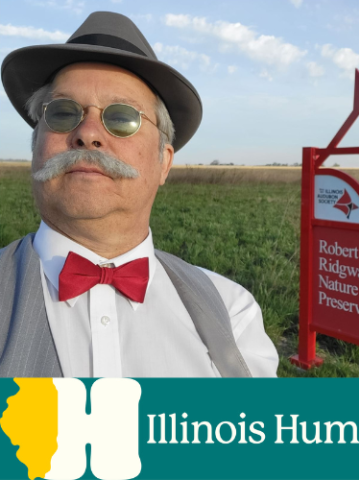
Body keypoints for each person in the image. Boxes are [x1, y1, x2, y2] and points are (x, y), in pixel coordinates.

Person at [0, 11, 278, 378]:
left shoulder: (232, 315)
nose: (88, 133)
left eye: (121, 118)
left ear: (164, 162)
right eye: (63, 113)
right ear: (36, 148)